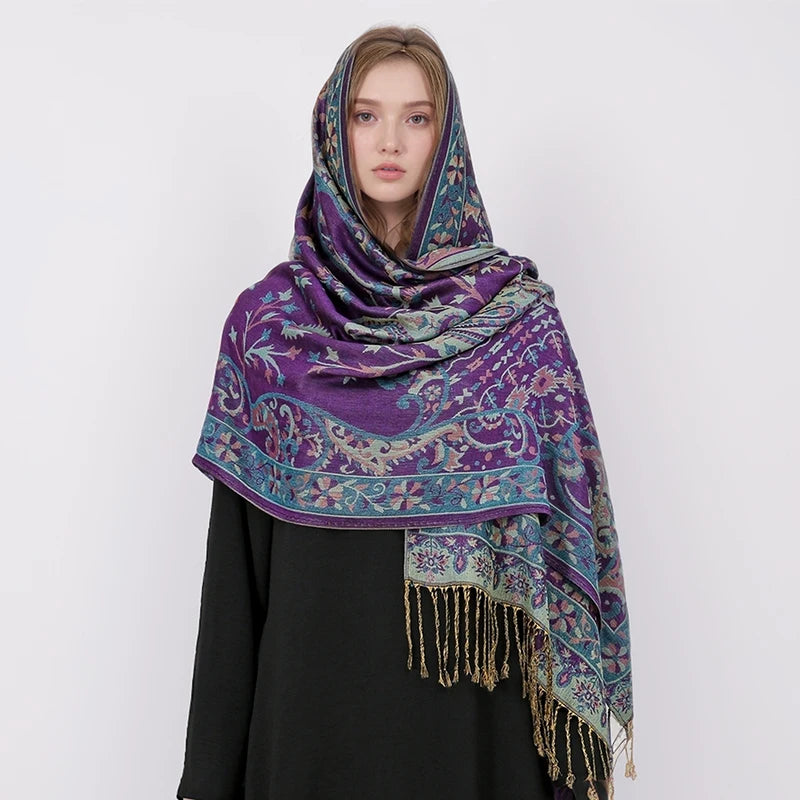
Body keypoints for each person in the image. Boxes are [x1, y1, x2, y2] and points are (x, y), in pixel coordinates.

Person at [176, 24, 635, 800]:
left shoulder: (520, 328)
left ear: (444, 139)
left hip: (474, 745)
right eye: (366, 115)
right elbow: (235, 585)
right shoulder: (270, 328)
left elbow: (565, 564)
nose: (389, 140)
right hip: (306, 737)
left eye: (416, 118)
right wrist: (208, 781)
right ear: (335, 130)